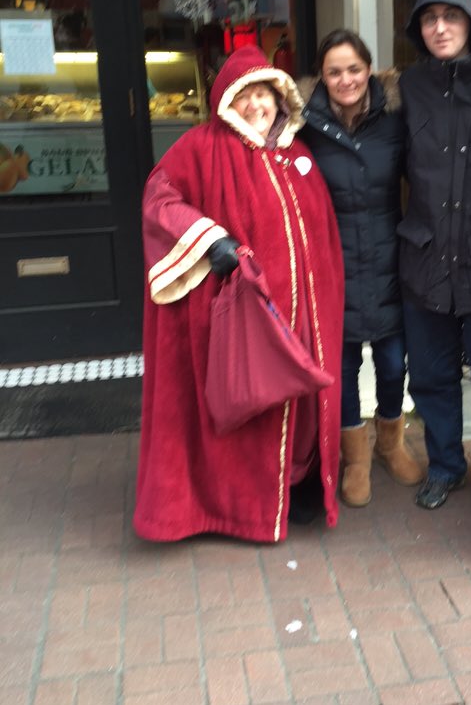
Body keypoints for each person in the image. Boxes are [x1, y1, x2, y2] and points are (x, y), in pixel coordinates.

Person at [134, 46, 344, 543]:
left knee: (298, 402)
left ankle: (295, 488)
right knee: (250, 408)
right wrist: (213, 239)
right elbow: (159, 199)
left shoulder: (297, 153)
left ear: (280, 96)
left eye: (263, 94)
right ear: (227, 100)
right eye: (244, 95)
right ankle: (242, 506)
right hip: (237, 319)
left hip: (301, 317)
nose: (255, 105)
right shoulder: (199, 147)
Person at [399, 0, 471, 530]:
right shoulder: (406, 88)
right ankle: (445, 466)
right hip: (423, 261)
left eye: (450, 16)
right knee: (431, 377)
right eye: (428, 18)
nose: (440, 27)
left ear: (470, 21)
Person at [299, 30, 422, 506]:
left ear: (369, 70)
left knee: (393, 363)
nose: (345, 79)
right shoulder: (303, 123)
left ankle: (390, 442)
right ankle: (355, 457)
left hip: (390, 257)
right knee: (344, 365)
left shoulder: (395, 117)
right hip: (333, 264)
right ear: (321, 76)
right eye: (334, 71)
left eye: (354, 69)